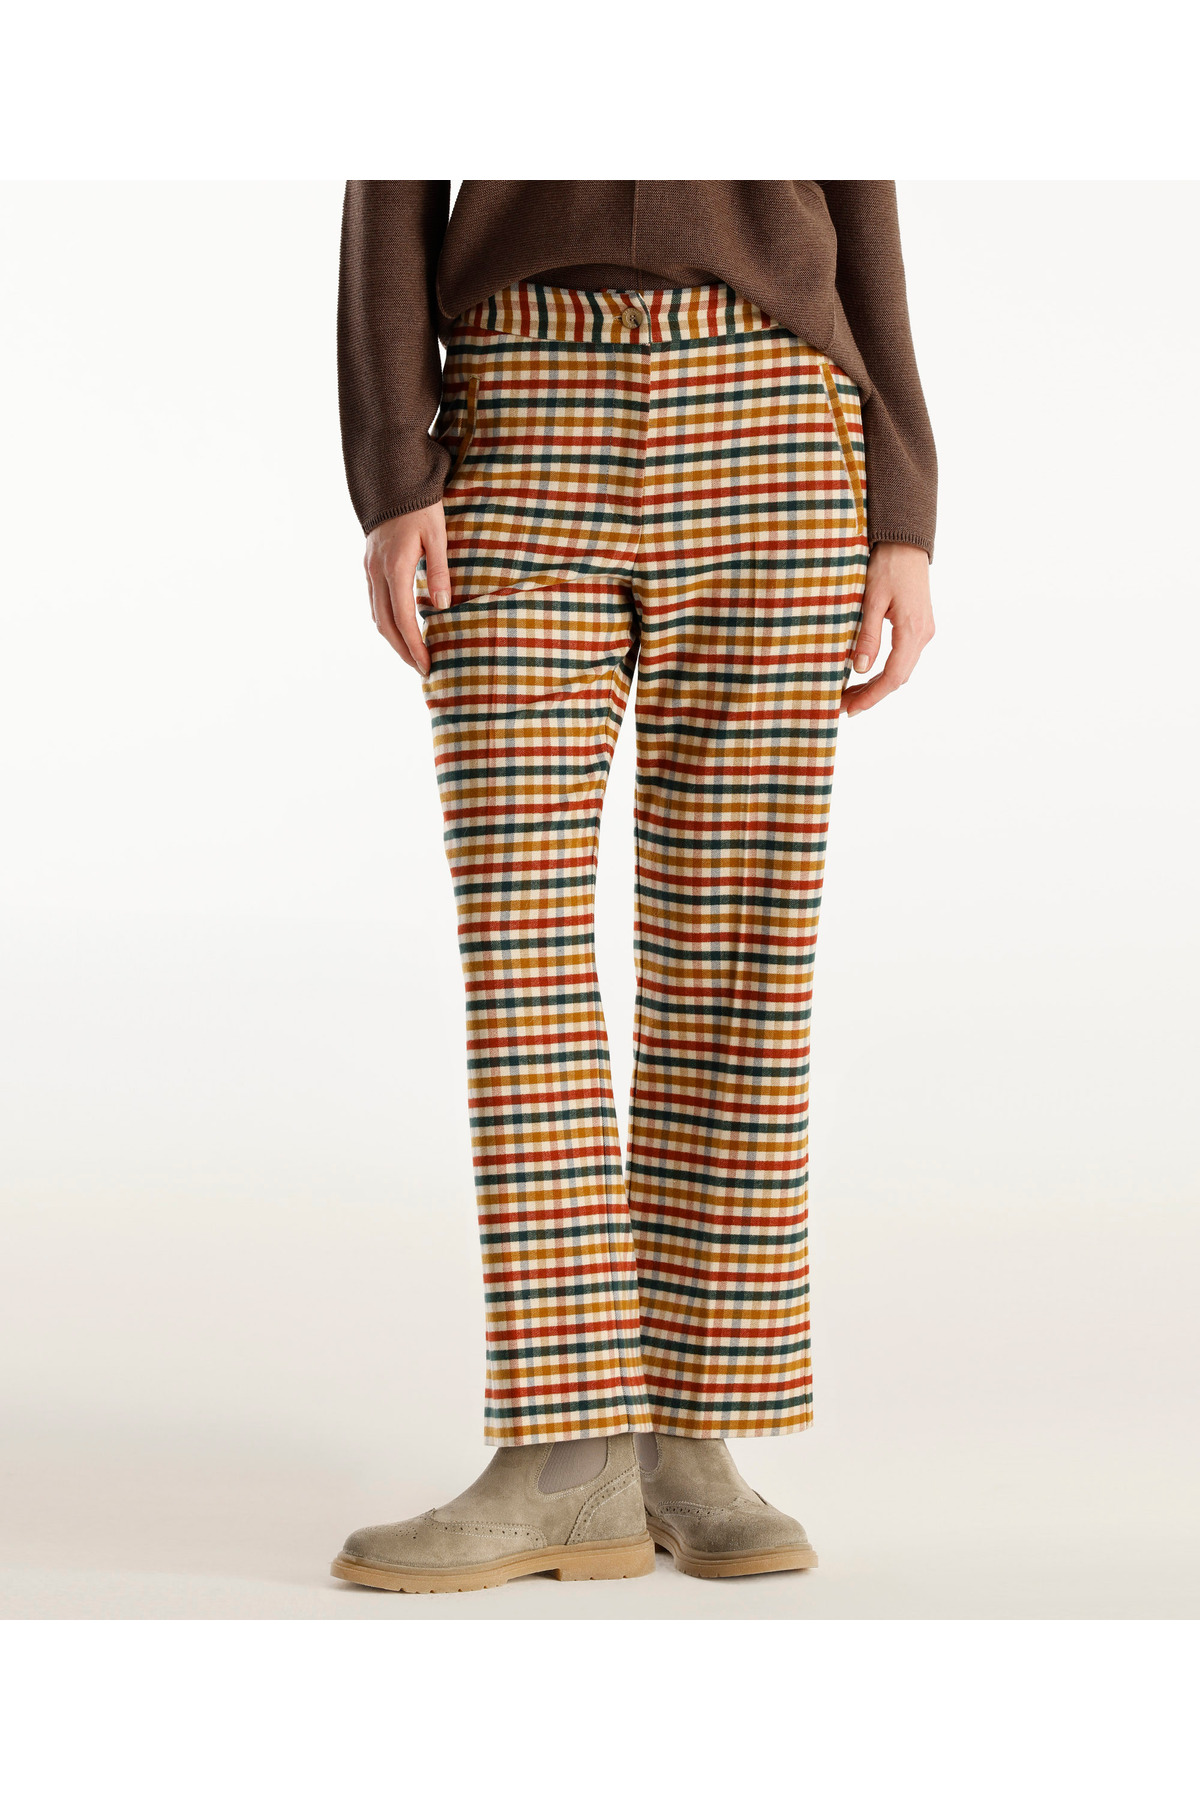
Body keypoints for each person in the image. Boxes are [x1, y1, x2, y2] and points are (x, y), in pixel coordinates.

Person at [330, 182, 936, 1594]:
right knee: (520, 939)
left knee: (741, 948)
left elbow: (861, 185)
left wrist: (903, 505)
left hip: (771, 407)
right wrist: (394, 469)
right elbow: (387, 177)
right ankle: (565, 1453)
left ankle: (687, 1437)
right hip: (522, 403)